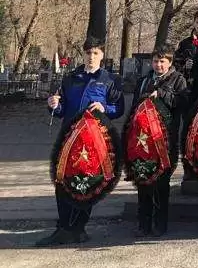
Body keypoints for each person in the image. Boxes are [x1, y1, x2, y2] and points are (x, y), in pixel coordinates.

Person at [38, 37, 125, 247]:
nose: (91, 57)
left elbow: (119, 108)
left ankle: (77, 228)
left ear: (102, 55)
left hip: (94, 141)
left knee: (87, 183)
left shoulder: (110, 80)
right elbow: (61, 110)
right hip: (69, 137)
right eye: (88, 53)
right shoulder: (71, 78)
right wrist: (53, 105)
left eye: (95, 53)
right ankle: (65, 226)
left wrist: (106, 109)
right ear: (83, 54)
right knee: (62, 181)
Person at [129, 45, 188, 238]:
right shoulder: (145, 80)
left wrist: (162, 94)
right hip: (143, 141)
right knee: (143, 180)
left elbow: (182, 103)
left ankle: (160, 223)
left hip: (165, 139)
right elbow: (134, 108)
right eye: (155, 61)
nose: (159, 65)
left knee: (161, 182)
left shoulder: (178, 80)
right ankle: (143, 223)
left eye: (163, 61)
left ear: (169, 63)